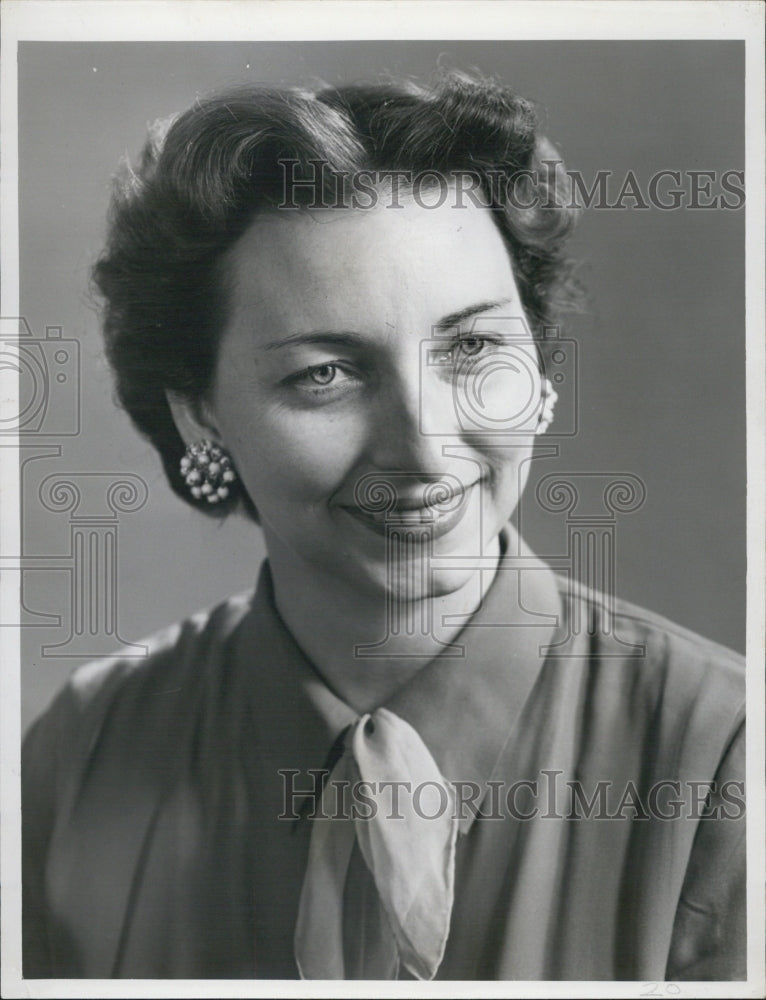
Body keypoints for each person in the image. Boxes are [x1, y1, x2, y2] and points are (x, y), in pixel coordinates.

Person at [22, 70, 745, 981]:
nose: (423, 446)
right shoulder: (83, 755)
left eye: (474, 347)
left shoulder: (727, 761)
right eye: (325, 373)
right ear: (201, 413)